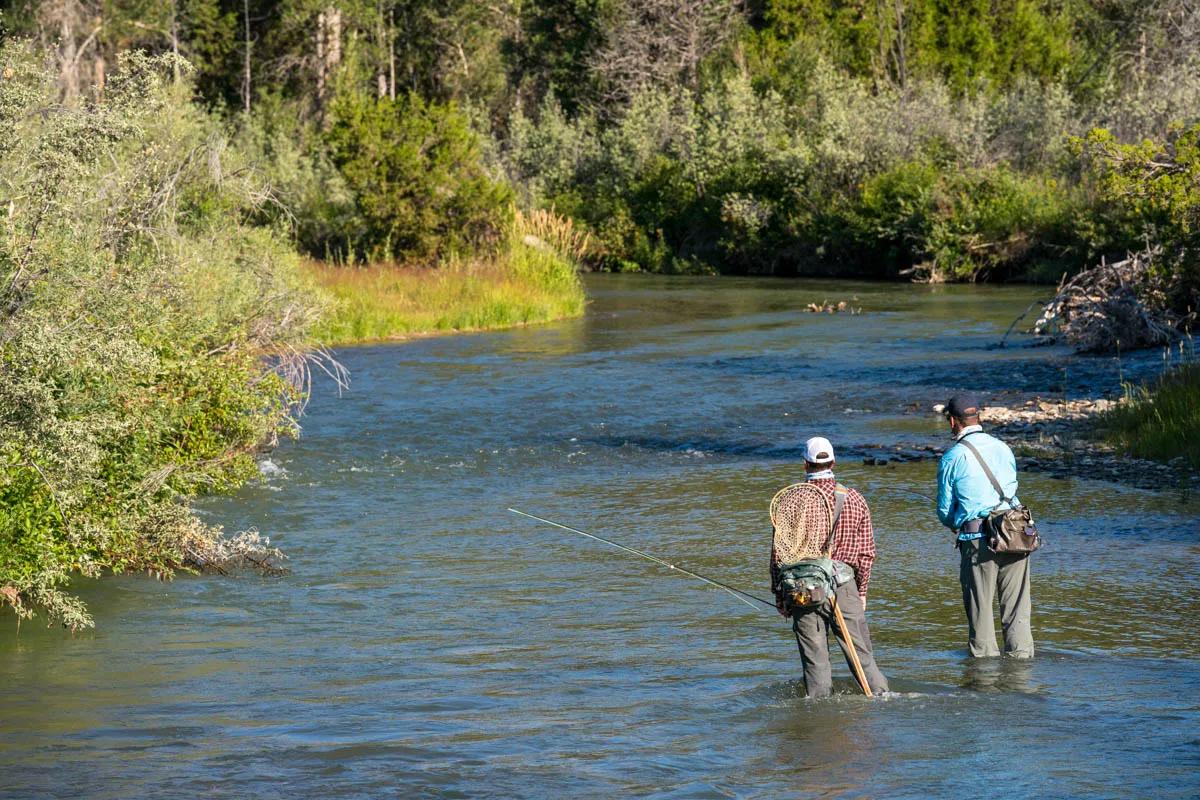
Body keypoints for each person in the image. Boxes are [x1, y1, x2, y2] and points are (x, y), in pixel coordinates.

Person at [771, 436, 889, 697]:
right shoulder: (855, 499)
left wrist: (780, 596)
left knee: (816, 665)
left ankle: (819, 720)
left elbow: (778, 554)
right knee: (862, 656)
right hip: (844, 586)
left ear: (805, 464)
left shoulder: (789, 501)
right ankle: (881, 702)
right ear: (834, 462)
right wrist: (862, 592)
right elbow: (867, 553)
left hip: (803, 589)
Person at [936, 394, 1034, 659]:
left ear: (953, 422)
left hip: (978, 539)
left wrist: (956, 520)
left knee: (980, 614)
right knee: (1018, 611)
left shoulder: (952, 457)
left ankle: (984, 683)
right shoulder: (1003, 447)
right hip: (1015, 533)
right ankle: (1021, 673)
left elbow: (945, 512)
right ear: (977, 417)